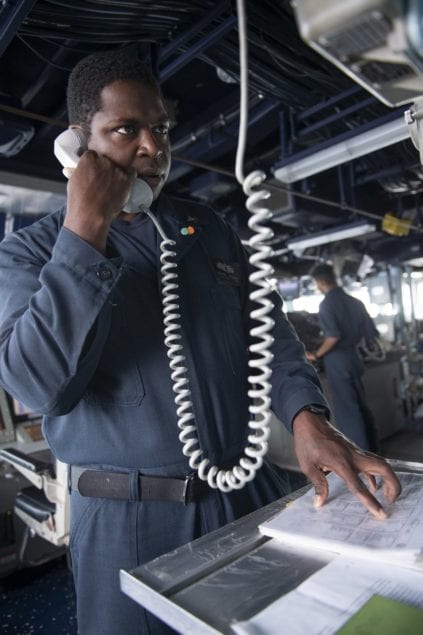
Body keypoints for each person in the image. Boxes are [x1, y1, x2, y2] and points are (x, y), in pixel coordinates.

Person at [0, 50, 400, 635]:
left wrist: (308, 418)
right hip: (127, 518)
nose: (153, 149)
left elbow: (270, 333)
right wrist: (85, 230)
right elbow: (37, 384)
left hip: (245, 490)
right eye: (125, 130)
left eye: (160, 128)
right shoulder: (31, 252)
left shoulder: (207, 227)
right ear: (78, 146)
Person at [307, 263, 380, 452]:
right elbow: (371, 333)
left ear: (321, 282)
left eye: (316, 283)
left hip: (338, 361)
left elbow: (333, 336)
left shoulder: (326, 305)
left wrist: (315, 354)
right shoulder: (355, 302)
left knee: (348, 409)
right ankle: (373, 448)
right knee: (361, 405)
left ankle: (360, 454)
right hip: (355, 358)